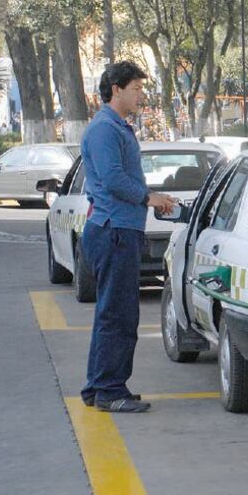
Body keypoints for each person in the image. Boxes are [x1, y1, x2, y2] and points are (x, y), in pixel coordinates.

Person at [80, 62, 176, 413]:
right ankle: (109, 390)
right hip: (113, 231)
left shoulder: (117, 127)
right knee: (118, 315)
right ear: (116, 89)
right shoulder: (105, 129)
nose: (141, 95)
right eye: (136, 88)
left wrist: (153, 197)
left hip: (119, 229)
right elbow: (112, 179)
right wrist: (148, 197)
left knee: (113, 312)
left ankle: (99, 385)